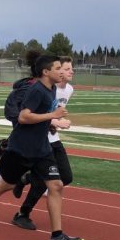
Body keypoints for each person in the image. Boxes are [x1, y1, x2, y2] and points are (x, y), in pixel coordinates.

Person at [0, 51, 84, 240]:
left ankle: (57, 236)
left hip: (42, 148)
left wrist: (50, 124)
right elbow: (23, 117)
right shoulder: (36, 90)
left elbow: (40, 116)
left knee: (56, 185)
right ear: (46, 72)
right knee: (5, 185)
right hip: (22, 148)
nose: (62, 72)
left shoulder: (51, 88)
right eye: (58, 69)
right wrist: (52, 116)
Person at [11, 56, 75, 230]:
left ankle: (26, 178)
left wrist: (54, 124)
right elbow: (27, 114)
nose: (70, 72)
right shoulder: (41, 88)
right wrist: (55, 121)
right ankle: (24, 213)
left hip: (52, 138)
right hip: (38, 141)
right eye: (66, 68)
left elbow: (52, 111)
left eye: (70, 69)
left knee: (66, 177)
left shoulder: (68, 89)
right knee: (49, 181)